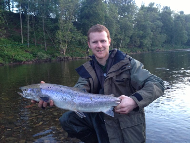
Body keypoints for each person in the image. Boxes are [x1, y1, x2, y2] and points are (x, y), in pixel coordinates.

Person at [36, 24, 165, 143]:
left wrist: (133, 101)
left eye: (102, 41)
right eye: (95, 42)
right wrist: (51, 93)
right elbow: (78, 91)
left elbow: (157, 83)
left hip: (127, 123)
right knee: (67, 120)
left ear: (109, 41)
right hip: (101, 120)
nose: (99, 45)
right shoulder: (87, 70)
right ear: (89, 44)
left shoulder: (129, 64)